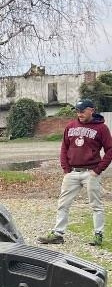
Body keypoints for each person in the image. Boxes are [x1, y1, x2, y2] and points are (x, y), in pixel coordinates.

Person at [39, 99, 112, 246]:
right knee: (63, 204)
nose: (79, 114)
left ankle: (98, 235)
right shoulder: (71, 126)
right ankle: (58, 234)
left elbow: (110, 150)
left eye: (82, 111)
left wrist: (98, 170)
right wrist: (66, 170)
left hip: (91, 173)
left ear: (91, 110)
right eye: (77, 111)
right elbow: (64, 148)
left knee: (96, 205)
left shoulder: (101, 128)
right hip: (72, 173)